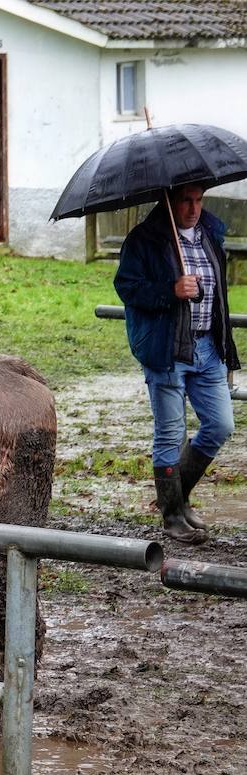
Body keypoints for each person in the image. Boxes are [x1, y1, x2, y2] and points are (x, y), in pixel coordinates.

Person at [115, 183, 240, 545]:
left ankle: (176, 495)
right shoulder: (145, 240)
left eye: (199, 200)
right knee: (170, 432)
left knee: (220, 424)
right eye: (186, 200)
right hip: (166, 348)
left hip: (207, 347)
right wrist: (171, 289)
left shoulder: (210, 235)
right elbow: (127, 287)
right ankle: (172, 517)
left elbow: (218, 296)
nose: (193, 208)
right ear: (169, 200)